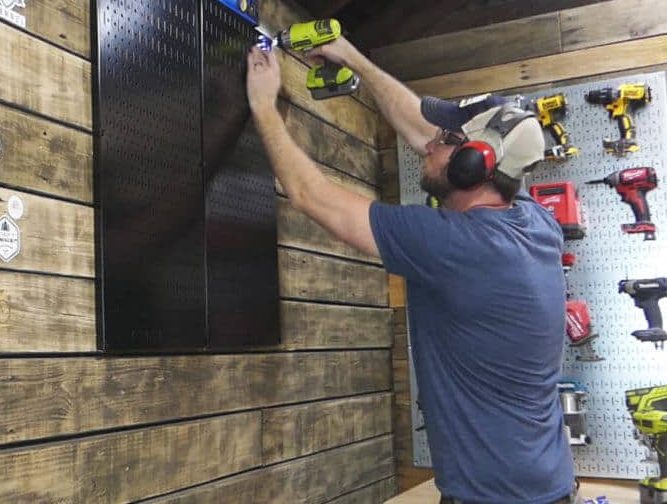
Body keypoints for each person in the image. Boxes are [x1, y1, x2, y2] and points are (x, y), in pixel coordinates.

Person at [245, 38, 575, 504]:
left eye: (446, 140)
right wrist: (353, 57)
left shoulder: (456, 245)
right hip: (542, 485)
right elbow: (424, 134)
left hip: (495, 497)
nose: (429, 145)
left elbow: (310, 195)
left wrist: (263, 105)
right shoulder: (534, 222)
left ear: (471, 163)